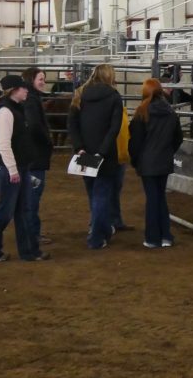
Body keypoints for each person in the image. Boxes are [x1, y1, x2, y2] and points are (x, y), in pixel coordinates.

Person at [0, 75, 49, 262]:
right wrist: (12, 170)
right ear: (15, 90)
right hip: (13, 168)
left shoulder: (14, 109)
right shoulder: (6, 112)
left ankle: (29, 251)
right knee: (5, 212)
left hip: (20, 166)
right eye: (24, 88)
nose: (27, 90)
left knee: (21, 210)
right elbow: (3, 145)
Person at [67, 64, 124, 250]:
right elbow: (114, 127)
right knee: (102, 195)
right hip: (105, 155)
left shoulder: (80, 94)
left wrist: (79, 147)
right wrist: (103, 151)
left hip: (85, 152)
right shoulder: (114, 97)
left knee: (92, 193)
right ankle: (97, 237)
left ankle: (100, 229)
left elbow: (72, 123)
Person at [128, 78, 184, 249]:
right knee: (160, 198)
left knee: (153, 199)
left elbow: (135, 142)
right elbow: (178, 137)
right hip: (163, 160)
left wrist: (135, 160)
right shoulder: (170, 111)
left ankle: (152, 237)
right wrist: (168, 151)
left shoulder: (141, 112)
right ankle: (166, 235)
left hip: (147, 162)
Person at [21, 67, 54, 246]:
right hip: (35, 156)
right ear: (31, 80)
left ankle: (31, 231)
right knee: (33, 196)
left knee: (31, 195)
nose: (43, 82)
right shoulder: (32, 100)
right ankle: (31, 233)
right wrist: (47, 140)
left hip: (31, 156)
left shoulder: (30, 98)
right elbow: (34, 125)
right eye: (41, 79)